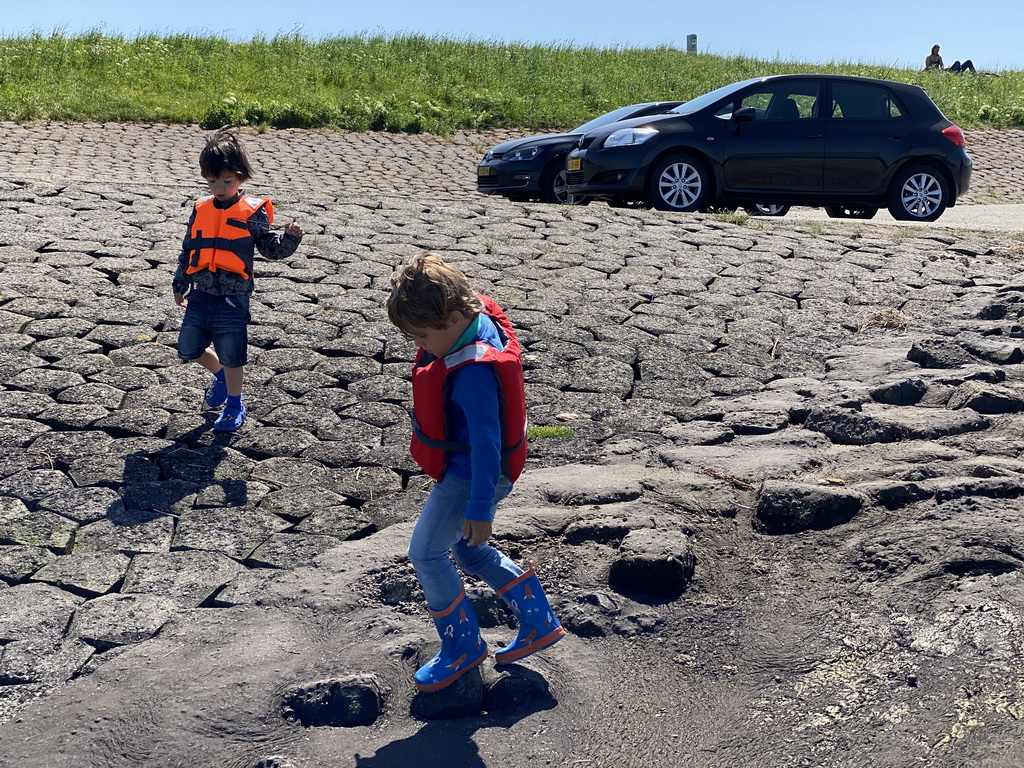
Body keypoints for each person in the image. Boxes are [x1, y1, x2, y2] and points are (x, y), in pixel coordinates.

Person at [387, 252, 565, 692]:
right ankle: (538, 619)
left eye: (425, 336)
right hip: (489, 472)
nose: (422, 347)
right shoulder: (474, 322)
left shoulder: (473, 374)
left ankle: (463, 647)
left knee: (427, 553)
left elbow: (486, 444)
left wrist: (480, 507)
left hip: (473, 476)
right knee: (467, 550)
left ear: (451, 318)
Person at [172, 128, 304, 431]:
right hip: (202, 291)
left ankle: (234, 404)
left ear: (241, 177)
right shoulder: (201, 208)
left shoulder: (252, 212)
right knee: (188, 347)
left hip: (234, 297)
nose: (219, 187)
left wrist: (290, 239)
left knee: (233, 354)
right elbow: (189, 246)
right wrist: (180, 282)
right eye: (212, 181)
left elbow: (271, 249)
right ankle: (220, 375)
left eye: (226, 181)